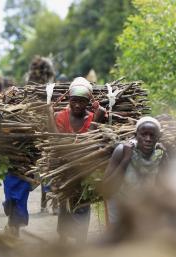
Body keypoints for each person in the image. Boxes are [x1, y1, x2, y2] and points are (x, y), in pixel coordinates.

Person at [48, 77, 106, 243]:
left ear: (88, 102)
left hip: (85, 171)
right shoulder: (61, 116)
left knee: (82, 205)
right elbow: (56, 141)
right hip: (64, 171)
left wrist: (96, 120)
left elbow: (90, 142)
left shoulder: (92, 118)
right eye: (74, 101)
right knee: (65, 205)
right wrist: (49, 117)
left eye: (82, 101)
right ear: (69, 100)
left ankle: (81, 244)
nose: (78, 105)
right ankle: (63, 241)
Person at [101, 116, 168, 225]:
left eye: (152, 135)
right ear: (136, 135)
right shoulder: (122, 150)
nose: (148, 139)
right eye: (144, 134)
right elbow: (106, 188)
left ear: (158, 137)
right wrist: (126, 159)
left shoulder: (160, 154)